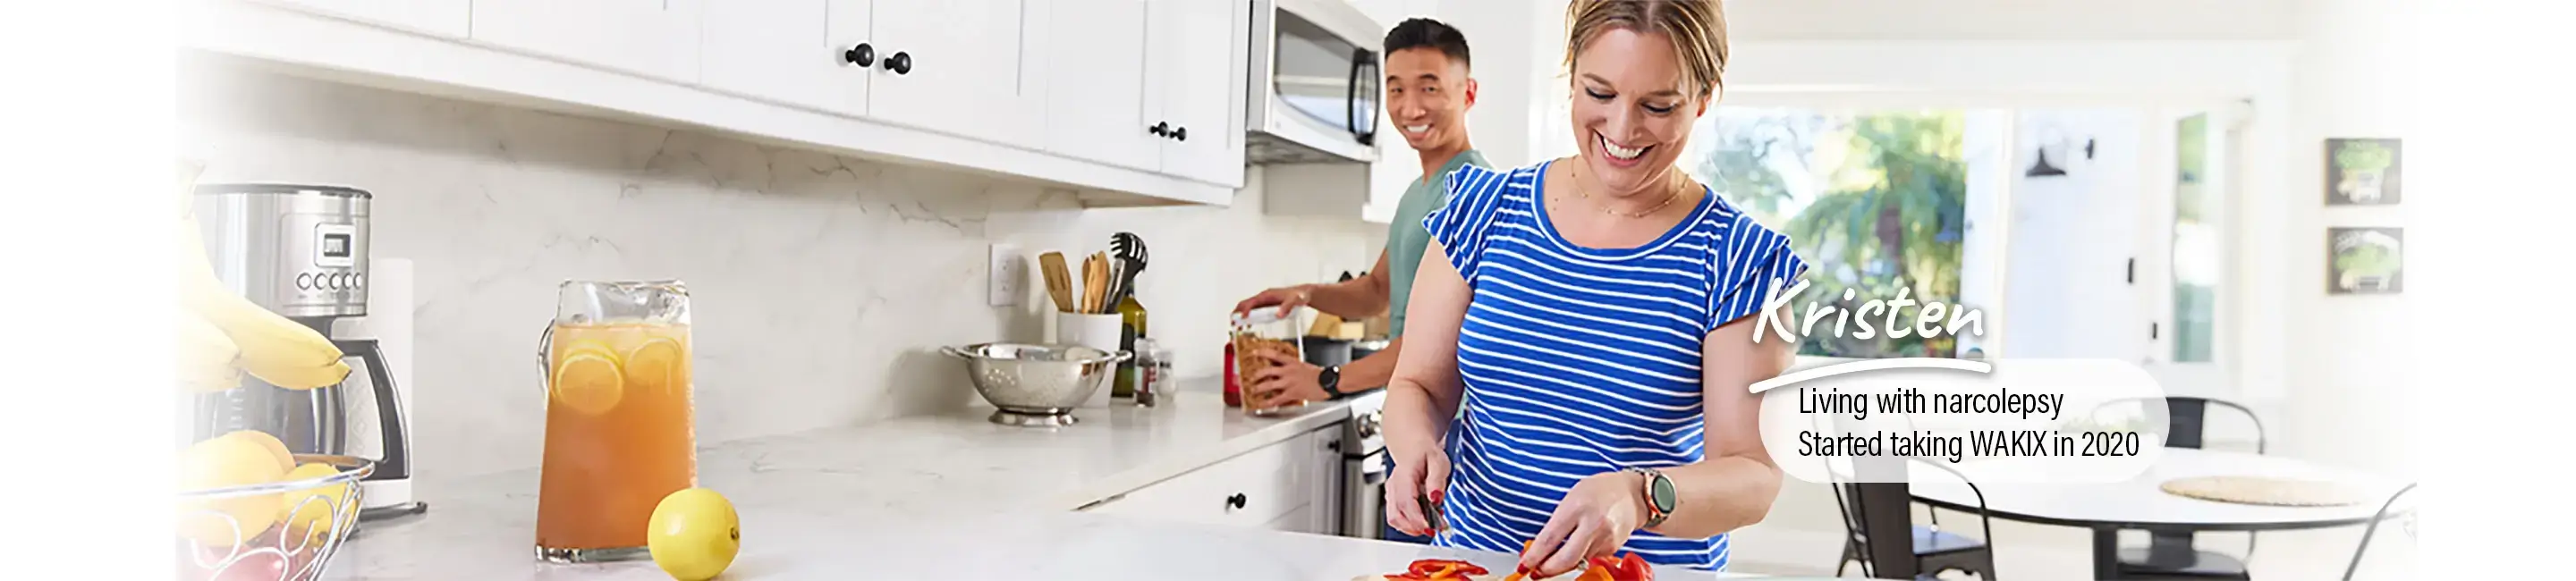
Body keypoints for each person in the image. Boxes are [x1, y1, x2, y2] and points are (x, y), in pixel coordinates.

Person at [1378, 0, 1804, 576]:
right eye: (1600, 94)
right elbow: (1417, 385)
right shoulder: (1481, 210)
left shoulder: (1743, 260)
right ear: (1571, 76)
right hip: (1479, 564)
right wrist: (1413, 451)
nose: (1622, 130)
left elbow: (1754, 475)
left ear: (1703, 99)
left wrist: (1641, 495)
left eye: (1658, 105)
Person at [1233, 19, 1489, 417]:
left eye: (1429, 87)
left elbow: (1435, 339)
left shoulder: (1473, 193)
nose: (1410, 107)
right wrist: (1305, 294)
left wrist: (1325, 380)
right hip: (1410, 421)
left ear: (1468, 93)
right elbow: (1376, 291)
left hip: (1449, 433)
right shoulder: (1417, 192)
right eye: (1396, 88)